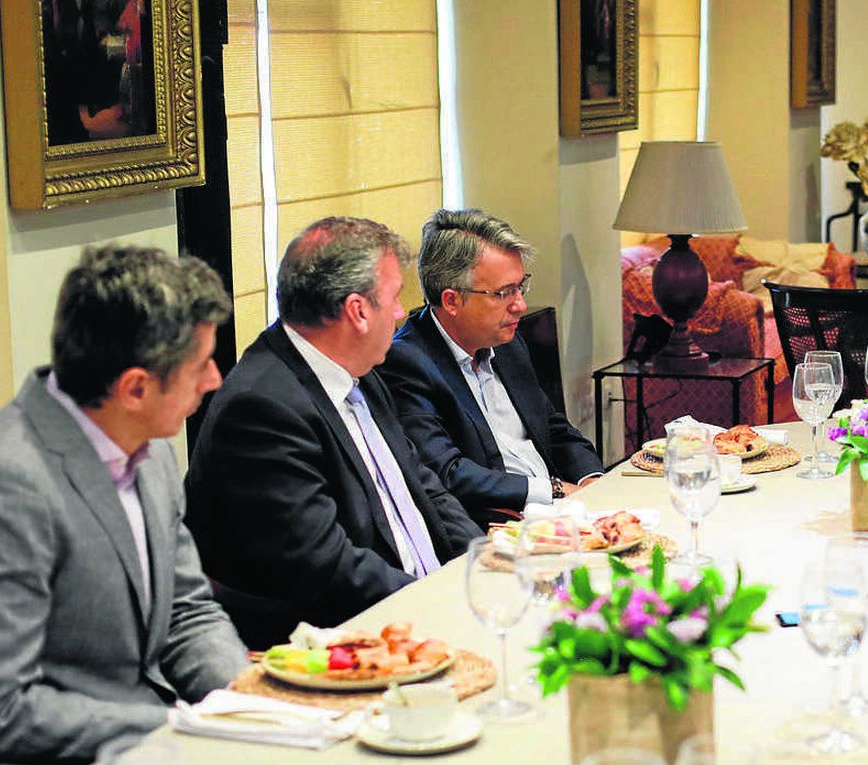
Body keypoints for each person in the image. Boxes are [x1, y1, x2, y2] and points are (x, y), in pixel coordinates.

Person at [0, 246, 247, 765]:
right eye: (200, 364)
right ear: (134, 388)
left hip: (154, 755)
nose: (215, 380)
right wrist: (176, 725)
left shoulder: (149, 448)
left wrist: (246, 702)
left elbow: (185, 611)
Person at [186, 217, 479, 649]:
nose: (401, 313)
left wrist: (480, 564)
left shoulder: (361, 369)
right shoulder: (263, 408)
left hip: (423, 608)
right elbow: (323, 565)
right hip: (346, 640)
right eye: (395, 299)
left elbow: (424, 485)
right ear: (358, 311)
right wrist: (433, 605)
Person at [377, 209, 603, 525]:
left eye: (520, 287)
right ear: (452, 300)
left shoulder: (506, 340)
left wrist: (590, 478)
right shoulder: (407, 363)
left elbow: (550, 424)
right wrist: (551, 490)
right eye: (503, 293)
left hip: (565, 510)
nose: (520, 305)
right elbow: (448, 472)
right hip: (501, 526)